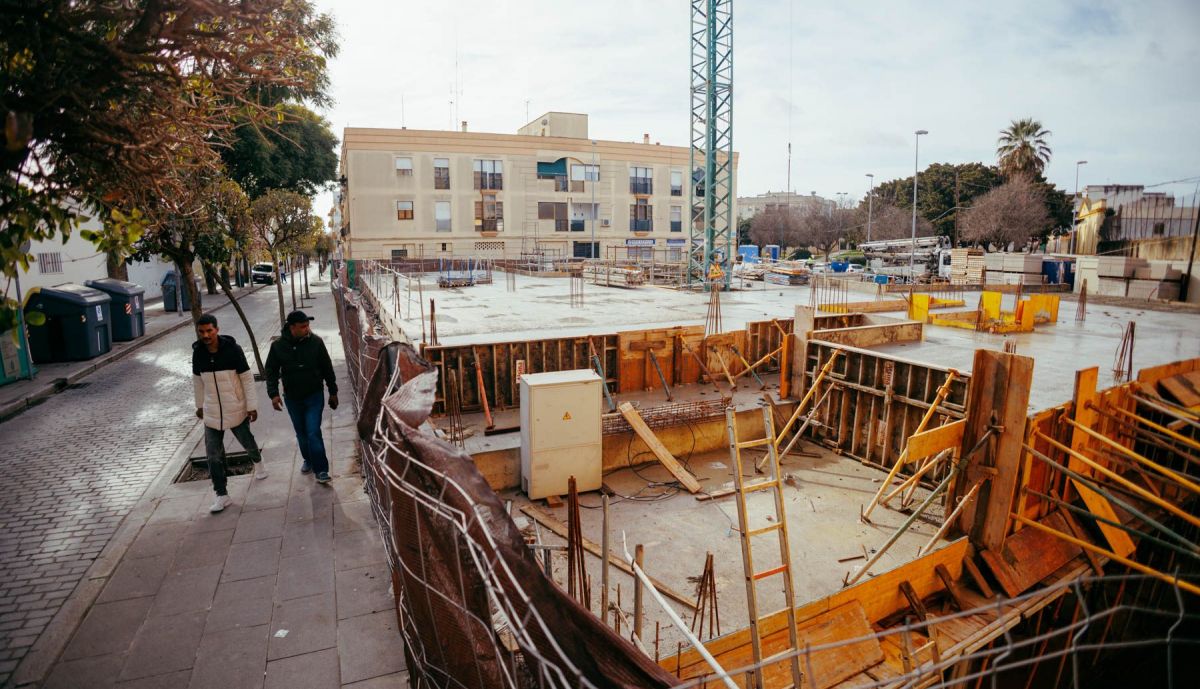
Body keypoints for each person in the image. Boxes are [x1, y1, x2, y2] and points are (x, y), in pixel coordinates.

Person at [192, 314, 265, 513]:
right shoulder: (198, 353)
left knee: (247, 441)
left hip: (236, 407)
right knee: (213, 455)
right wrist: (199, 406)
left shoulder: (233, 350)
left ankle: (258, 462)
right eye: (202, 331)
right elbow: (197, 381)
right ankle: (221, 495)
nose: (206, 335)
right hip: (212, 412)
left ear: (217, 329)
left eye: (209, 330)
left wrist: (251, 405)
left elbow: (247, 379)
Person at [266, 310, 338, 483]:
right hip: (292, 398)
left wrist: (333, 391)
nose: (307, 329)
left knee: (313, 431)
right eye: (303, 327)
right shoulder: (278, 347)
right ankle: (308, 459)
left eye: (308, 326)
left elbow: (327, 367)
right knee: (301, 433)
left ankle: (321, 470)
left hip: (314, 395)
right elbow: (271, 371)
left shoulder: (316, 342)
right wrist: (273, 394)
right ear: (292, 328)